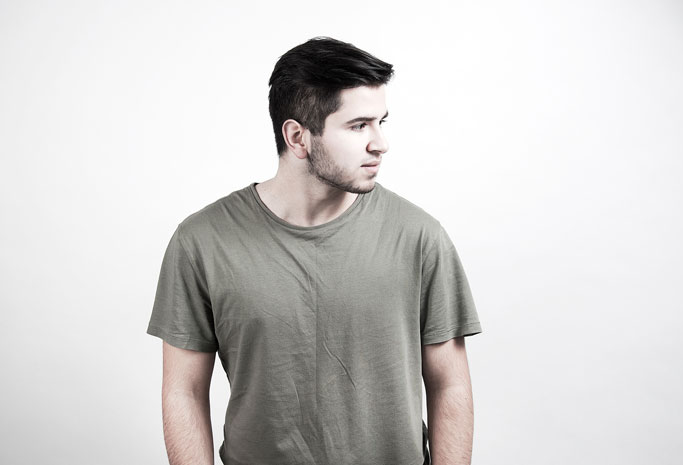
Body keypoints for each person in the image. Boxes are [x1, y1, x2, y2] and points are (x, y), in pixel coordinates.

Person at [147, 36, 482, 465]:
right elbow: (184, 391)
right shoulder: (201, 242)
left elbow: (450, 385)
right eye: (359, 126)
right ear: (298, 137)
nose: (380, 143)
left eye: (381, 122)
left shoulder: (420, 237)